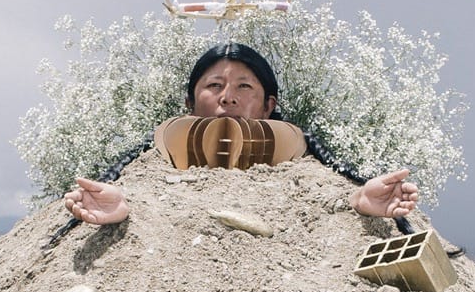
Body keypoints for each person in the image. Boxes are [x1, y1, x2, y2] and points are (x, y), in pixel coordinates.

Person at [61, 42, 419, 226]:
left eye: (244, 86)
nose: (227, 96)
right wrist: (119, 213)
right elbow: (136, 201)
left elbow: (331, 203)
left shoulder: (309, 170)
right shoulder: (150, 164)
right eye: (213, 84)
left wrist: (360, 205)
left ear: (268, 105)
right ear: (189, 102)